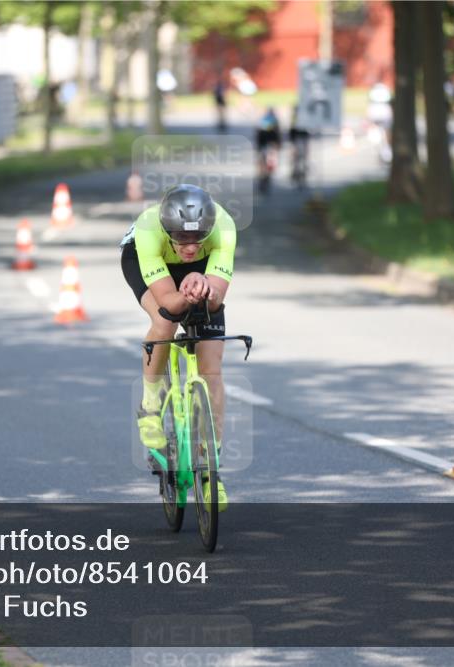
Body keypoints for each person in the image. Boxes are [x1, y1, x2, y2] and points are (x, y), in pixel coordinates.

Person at [120, 185, 237, 512]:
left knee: (211, 370)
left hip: (201, 272)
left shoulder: (224, 228)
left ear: (210, 229)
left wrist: (205, 289)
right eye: (181, 238)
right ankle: (150, 405)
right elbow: (170, 302)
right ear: (167, 229)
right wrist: (185, 295)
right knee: (165, 322)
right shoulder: (149, 231)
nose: (189, 246)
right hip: (147, 260)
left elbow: (216, 298)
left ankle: (211, 469)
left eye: (198, 237)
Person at [255, 107, 282, 191]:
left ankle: (263, 175)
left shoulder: (264, 120)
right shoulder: (274, 121)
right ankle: (265, 175)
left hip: (264, 143)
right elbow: (277, 135)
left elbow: (259, 134)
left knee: (263, 161)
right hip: (268, 143)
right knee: (269, 161)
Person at [288, 105, 311, 187]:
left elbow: (307, 133)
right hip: (297, 139)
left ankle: (302, 171)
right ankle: (295, 171)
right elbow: (291, 132)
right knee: (295, 157)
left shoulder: (303, 119)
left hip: (302, 139)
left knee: (303, 157)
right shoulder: (295, 119)